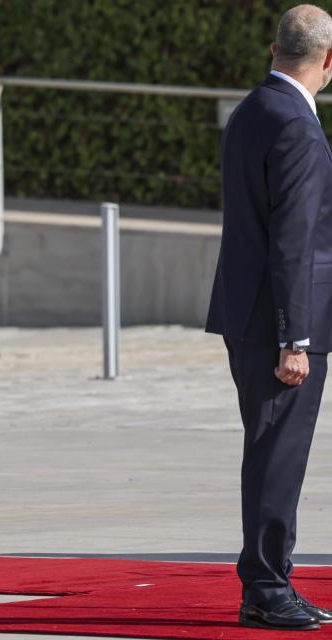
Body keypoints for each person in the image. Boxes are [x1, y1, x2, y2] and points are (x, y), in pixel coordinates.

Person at [206, 4, 332, 631]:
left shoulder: (252, 110)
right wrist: (298, 337)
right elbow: (293, 240)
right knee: (279, 455)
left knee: (268, 449)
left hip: (245, 313)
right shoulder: (298, 126)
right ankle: (266, 587)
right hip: (281, 325)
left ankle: (268, 580)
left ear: (272, 49)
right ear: (328, 61)